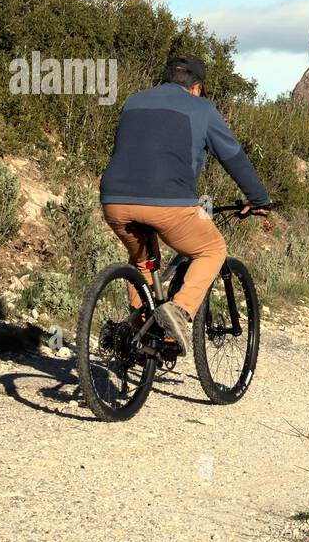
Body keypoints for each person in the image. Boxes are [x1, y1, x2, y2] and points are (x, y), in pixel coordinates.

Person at [99, 55, 271, 353]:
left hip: (114, 200)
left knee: (142, 262)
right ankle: (178, 311)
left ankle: (140, 333)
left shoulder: (134, 101)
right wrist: (259, 199)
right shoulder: (202, 108)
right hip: (169, 204)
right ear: (197, 88)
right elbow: (233, 157)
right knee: (211, 249)